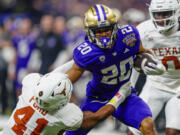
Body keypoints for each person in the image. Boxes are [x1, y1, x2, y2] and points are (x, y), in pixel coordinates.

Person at [64, 4, 165, 135]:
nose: (104, 34)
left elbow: (143, 52)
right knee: (72, 133)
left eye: (107, 29)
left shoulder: (129, 35)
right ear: (89, 32)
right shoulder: (86, 52)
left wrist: (152, 61)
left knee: (147, 124)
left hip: (125, 95)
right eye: (98, 31)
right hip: (98, 98)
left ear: (115, 26)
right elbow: (70, 77)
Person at [1, 60, 132, 135]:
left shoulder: (30, 86)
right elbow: (97, 117)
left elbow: (52, 77)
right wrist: (121, 94)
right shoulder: (64, 115)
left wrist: (80, 60)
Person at [129, 0, 180, 135]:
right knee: (135, 131)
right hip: (154, 85)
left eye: (166, 14)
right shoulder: (144, 30)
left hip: (178, 87)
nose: (162, 19)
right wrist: (130, 89)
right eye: (158, 14)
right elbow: (134, 60)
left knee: (172, 132)